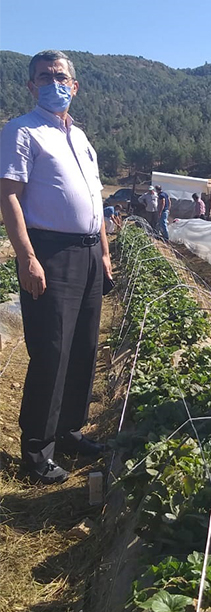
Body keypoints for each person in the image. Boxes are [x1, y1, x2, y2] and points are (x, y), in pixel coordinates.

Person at [0, 50, 110, 484]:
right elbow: (9, 196)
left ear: (75, 85)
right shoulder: (21, 131)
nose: (53, 83)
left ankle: (69, 431)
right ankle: (37, 449)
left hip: (88, 252)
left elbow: (97, 201)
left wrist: (103, 251)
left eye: (60, 76)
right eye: (44, 77)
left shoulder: (81, 139)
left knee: (82, 346)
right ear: (30, 86)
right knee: (50, 350)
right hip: (50, 252)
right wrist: (27, 256)